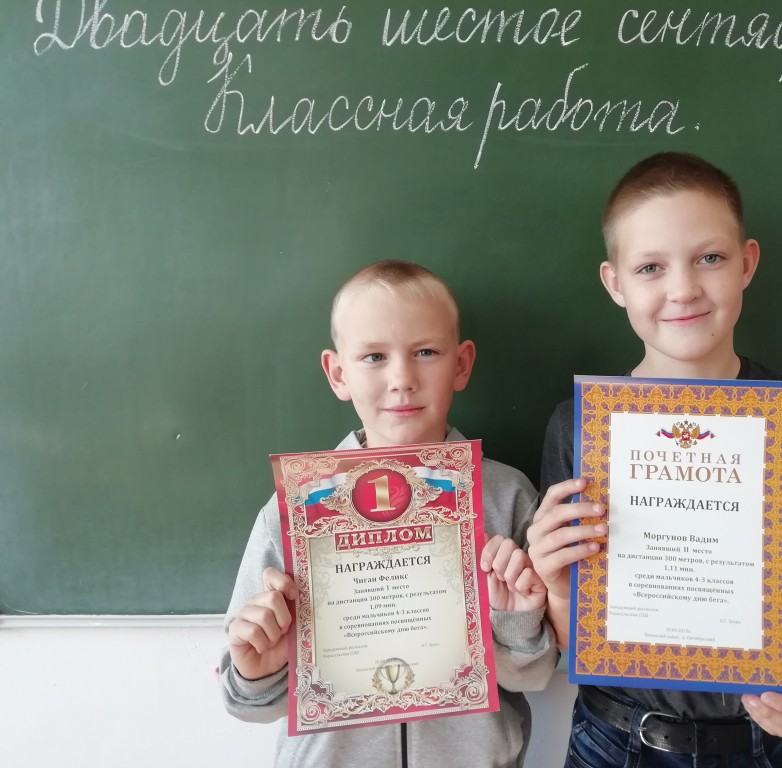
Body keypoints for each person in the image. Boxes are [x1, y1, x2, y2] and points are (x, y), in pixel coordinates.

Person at [527, 152, 782, 767]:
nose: (683, 289)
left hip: (759, 741)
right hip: (611, 740)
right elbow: (570, 634)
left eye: (709, 258)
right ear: (615, 283)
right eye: (650, 267)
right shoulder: (580, 429)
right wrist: (556, 586)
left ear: (747, 263)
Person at [220, 259, 557, 768]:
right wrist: (260, 670)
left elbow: (532, 674)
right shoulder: (295, 508)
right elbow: (247, 701)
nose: (402, 379)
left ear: (461, 364)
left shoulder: (505, 497)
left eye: (426, 352)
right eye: (374, 356)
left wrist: (514, 622)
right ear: (338, 373)